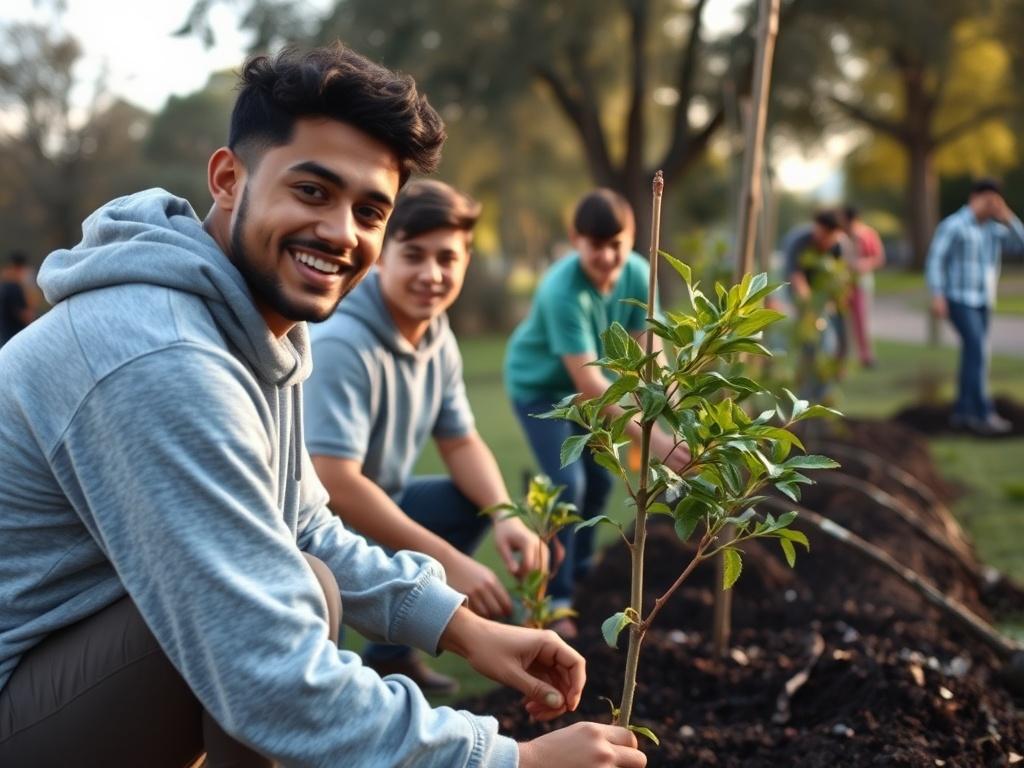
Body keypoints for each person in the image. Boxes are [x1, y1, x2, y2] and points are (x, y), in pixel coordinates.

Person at [0, 45, 648, 768]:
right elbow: (267, 671)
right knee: (281, 608)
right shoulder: (161, 354)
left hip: (67, 659)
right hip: (15, 697)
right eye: (313, 191)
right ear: (227, 179)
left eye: (369, 210)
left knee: (306, 578)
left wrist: (463, 628)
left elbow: (305, 520)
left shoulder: (252, 329)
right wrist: (512, 761)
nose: (342, 232)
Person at [304, 179, 547, 694]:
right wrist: (452, 564)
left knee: (470, 500)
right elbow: (335, 484)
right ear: (381, 254)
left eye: (447, 258)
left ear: (466, 260)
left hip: (381, 498)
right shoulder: (344, 342)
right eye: (414, 255)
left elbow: (460, 440)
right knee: (319, 649)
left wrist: (505, 516)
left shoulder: (436, 331)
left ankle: (391, 658)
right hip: (312, 524)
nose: (431, 275)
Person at [503, 189, 687, 640]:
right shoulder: (561, 290)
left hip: (591, 392)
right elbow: (589, 385)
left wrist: (675, 411)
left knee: (603, 480)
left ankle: (579, 569)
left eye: (616, 244)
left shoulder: (640, 274)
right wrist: (656, 443)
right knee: (569, 483)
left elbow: (651, 350)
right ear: (574, 239)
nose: (606, 256)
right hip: (541, 389)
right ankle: (554, 598)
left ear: (633, 237)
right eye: (595, 245)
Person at [926, 177, 1024, 435]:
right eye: (986, 200)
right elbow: (936, 260)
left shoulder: (993, 228)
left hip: (983, 300)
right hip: (958, 299)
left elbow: (1020, 243)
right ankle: (983, 413)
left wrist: (1007, 216)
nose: (990, 205)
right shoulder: (955, 225)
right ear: (974, 197)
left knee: (974, 353)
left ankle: (963, 412)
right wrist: (937, 294)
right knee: (979, 350)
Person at [781, 210, 850, 401]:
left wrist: (832, 299)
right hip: (800, 293)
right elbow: (795, 275)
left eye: (824, 235)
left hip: (823, 293)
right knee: (808, 339)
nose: (819, 238)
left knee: (835, 334)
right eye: (817, 232)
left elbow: (839, 276)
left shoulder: (838, 245)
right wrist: (809, 305)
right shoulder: (799, 241)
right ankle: (803, 386)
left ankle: (828, 380)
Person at [840, 205, 885, 368]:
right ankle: (843, 356)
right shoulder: (841, 234)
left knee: (862, 320)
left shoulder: (867, 234)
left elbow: (879, 258)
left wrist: (864, 264)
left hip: (861, 282)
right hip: (842, 283)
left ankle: (866, 356)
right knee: (842, 321)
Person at [0, 251, 34, 347]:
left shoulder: (5, 285)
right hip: (15, 339)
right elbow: (27, 316)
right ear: (21, 268)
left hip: (6, 337)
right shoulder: (13, 287)